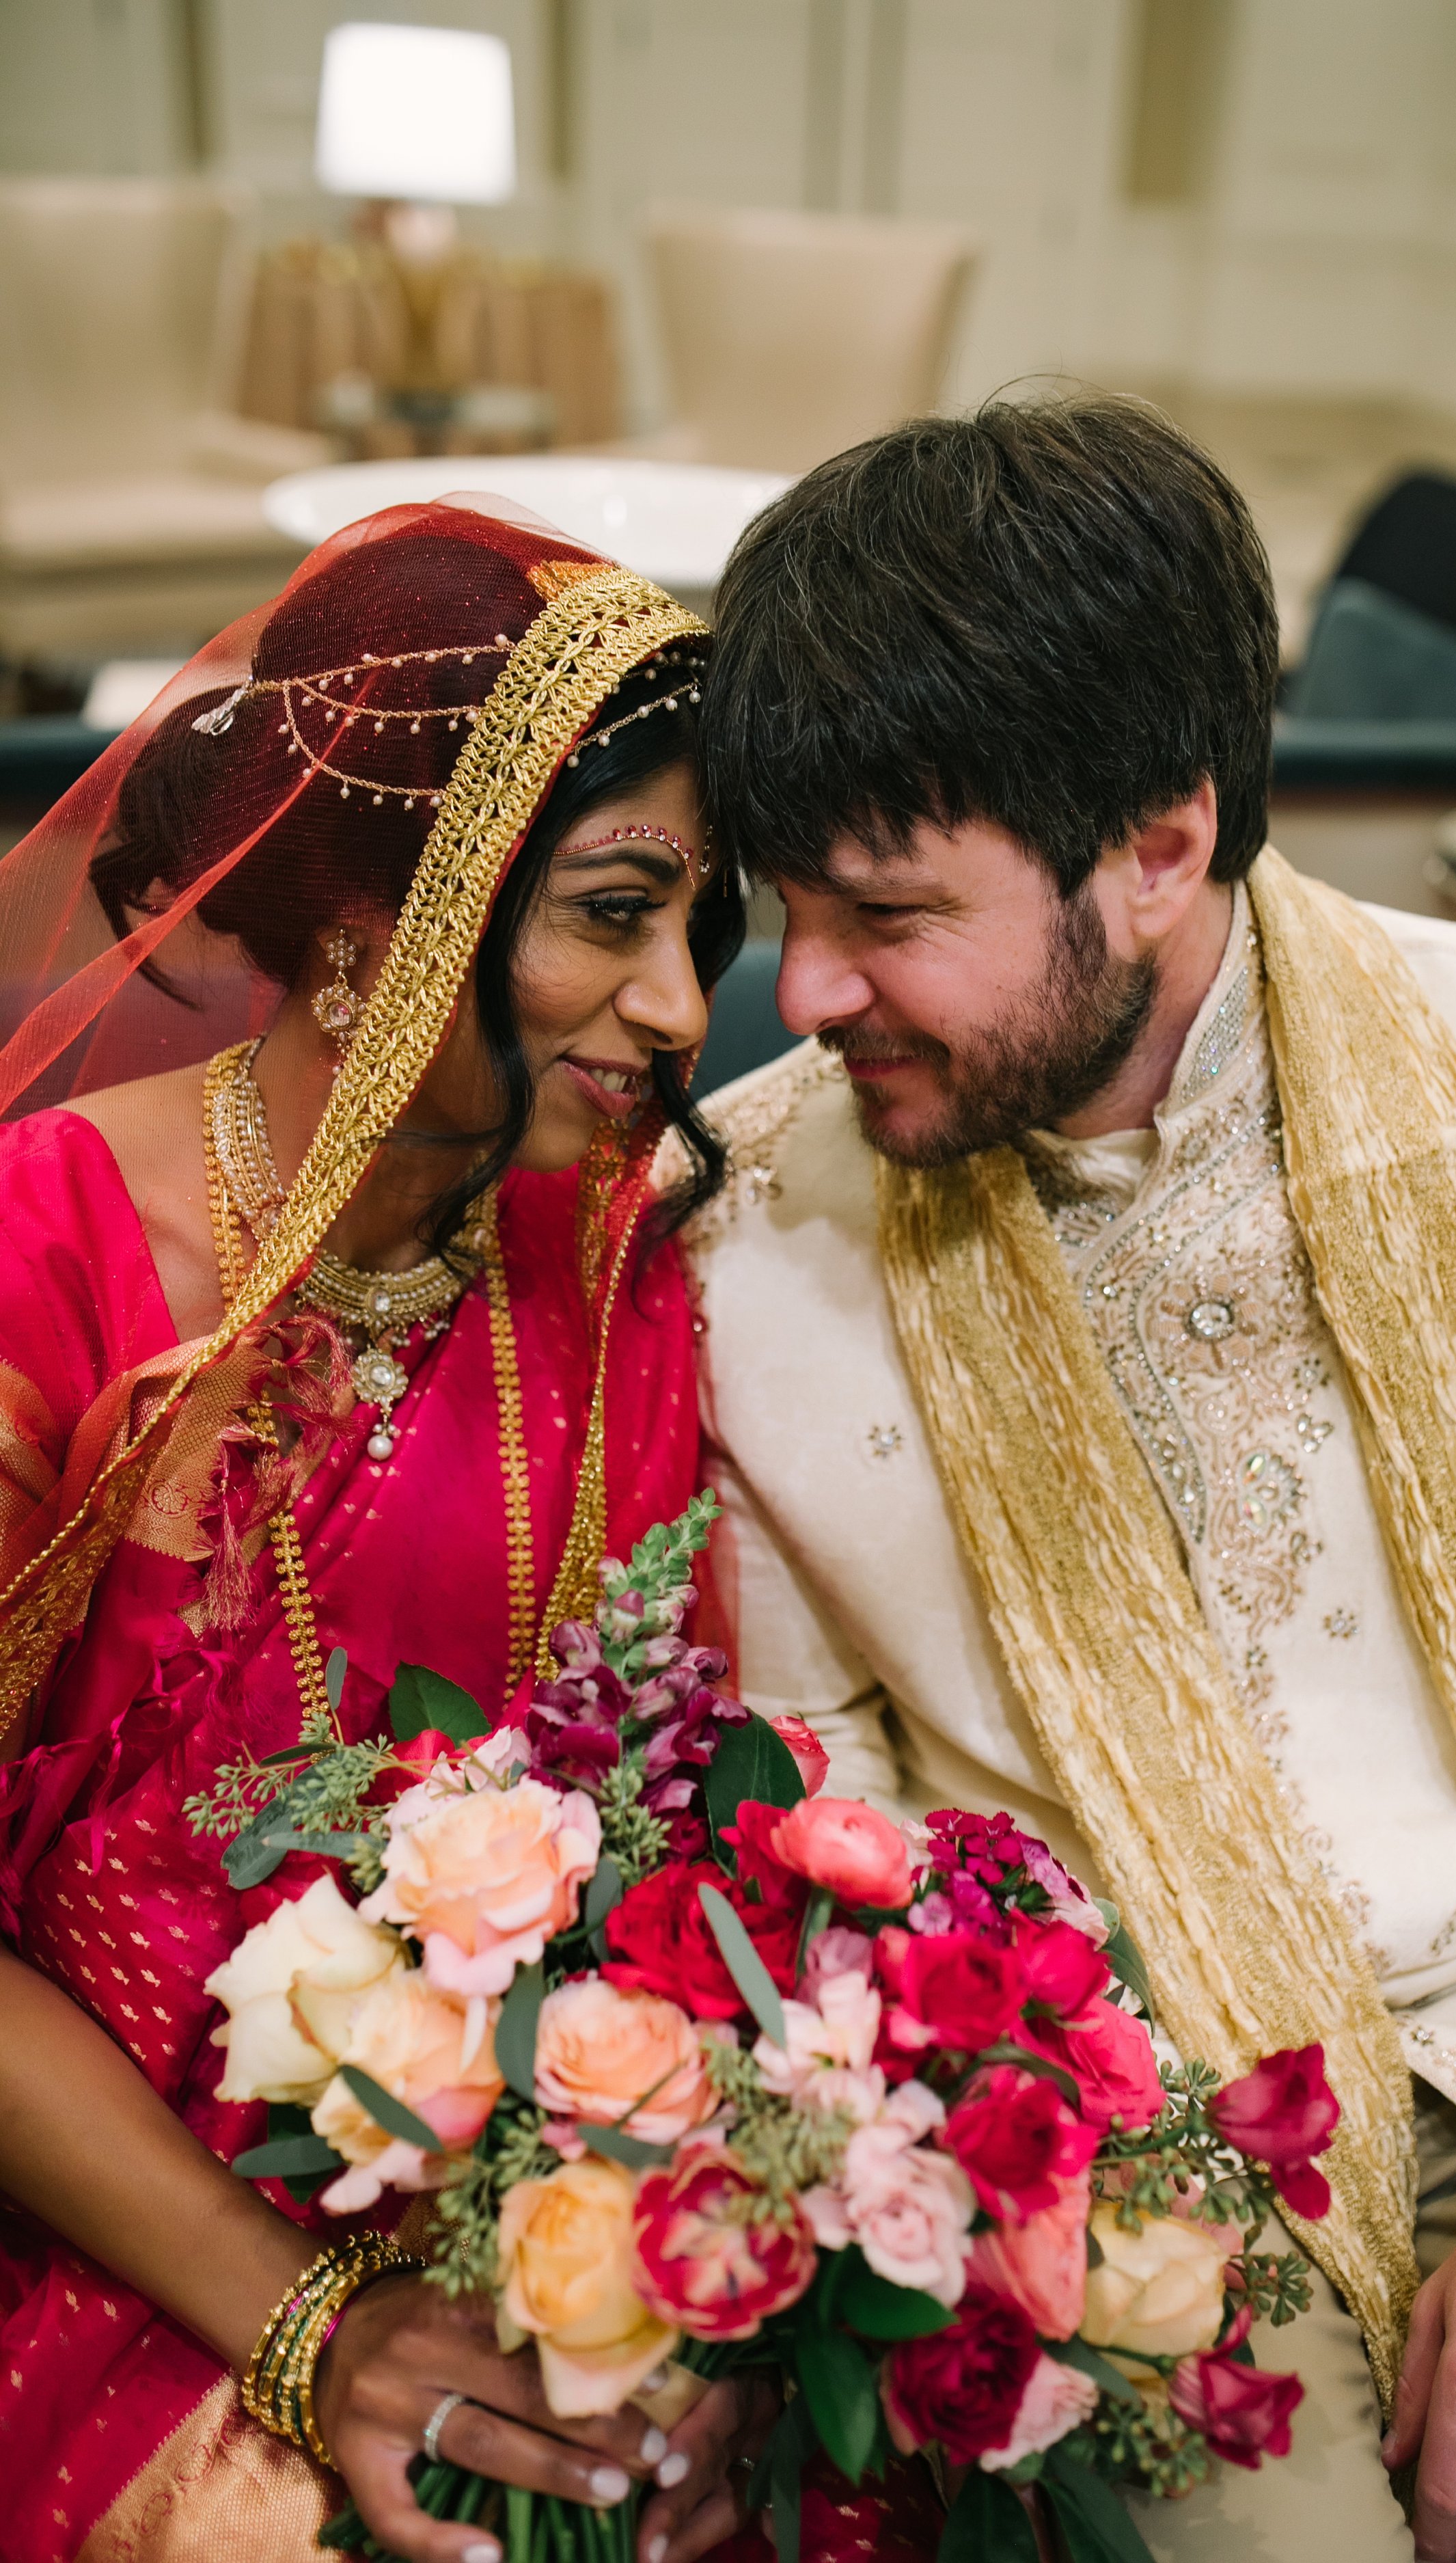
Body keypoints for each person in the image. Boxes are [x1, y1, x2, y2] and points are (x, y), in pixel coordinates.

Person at [674, 398, 1456, 2562]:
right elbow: (820, 1830)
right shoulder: (743, 1237)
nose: (806, 991)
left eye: (886, 913)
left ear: (1159, 845)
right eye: (788, 908)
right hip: (1138, 2150)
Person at [0, 502, 764, 2563]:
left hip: (518, 2192)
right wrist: (313, 2334)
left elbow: (664, 1824)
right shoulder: (50, 1255)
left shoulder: (606, 1274)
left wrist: (678, 2279)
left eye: (702, 926)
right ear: (377, 921)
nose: (684, 1009)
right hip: (114, 2213)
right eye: (614, 912)